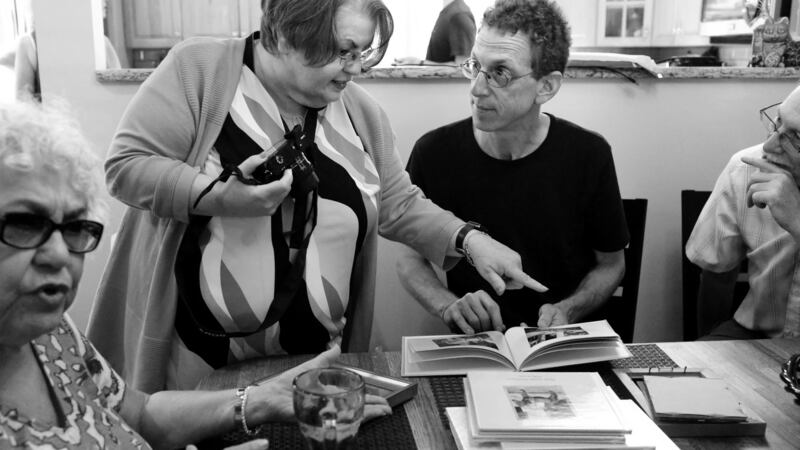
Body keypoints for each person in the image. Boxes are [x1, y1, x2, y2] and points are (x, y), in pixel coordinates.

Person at [87, 0, 544, 393]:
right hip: (197, 368)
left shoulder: (361, 112)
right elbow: (126, 166)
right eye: (344, 51)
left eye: (363, 52)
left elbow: (397, 202)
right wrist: (217, 197)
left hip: (317, 368)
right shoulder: (200, 71)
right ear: (286, 34)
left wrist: (469, 239)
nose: (357, 68)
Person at [0, 100, 391, 449]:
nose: (59, 255)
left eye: (74, 227)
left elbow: (137, 415)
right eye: (24, 224)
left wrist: (257, 400)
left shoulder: (52, 335)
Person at [396, 0, 629, 335]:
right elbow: (409, 256)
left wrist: (569, 309)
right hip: (478, 345)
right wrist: (448, 305)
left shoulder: (588, 155)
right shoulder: (434, 152)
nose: (476, 88)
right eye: (475, 66)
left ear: (546, 87)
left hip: (561, 346)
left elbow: (611, 265)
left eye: (500, 74)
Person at [686, 85, 800, 340]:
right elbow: (717, 272)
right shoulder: (746, 168)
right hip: (755, 334)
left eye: (797, 137)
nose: (769, 145)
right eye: (778, 121)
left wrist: (796, 221)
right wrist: (710, 351)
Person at [394, 0, 476, 66]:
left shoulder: (459, 15)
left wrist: (419, 63)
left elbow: (462, 67)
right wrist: (417, 62)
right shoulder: (450, 12)